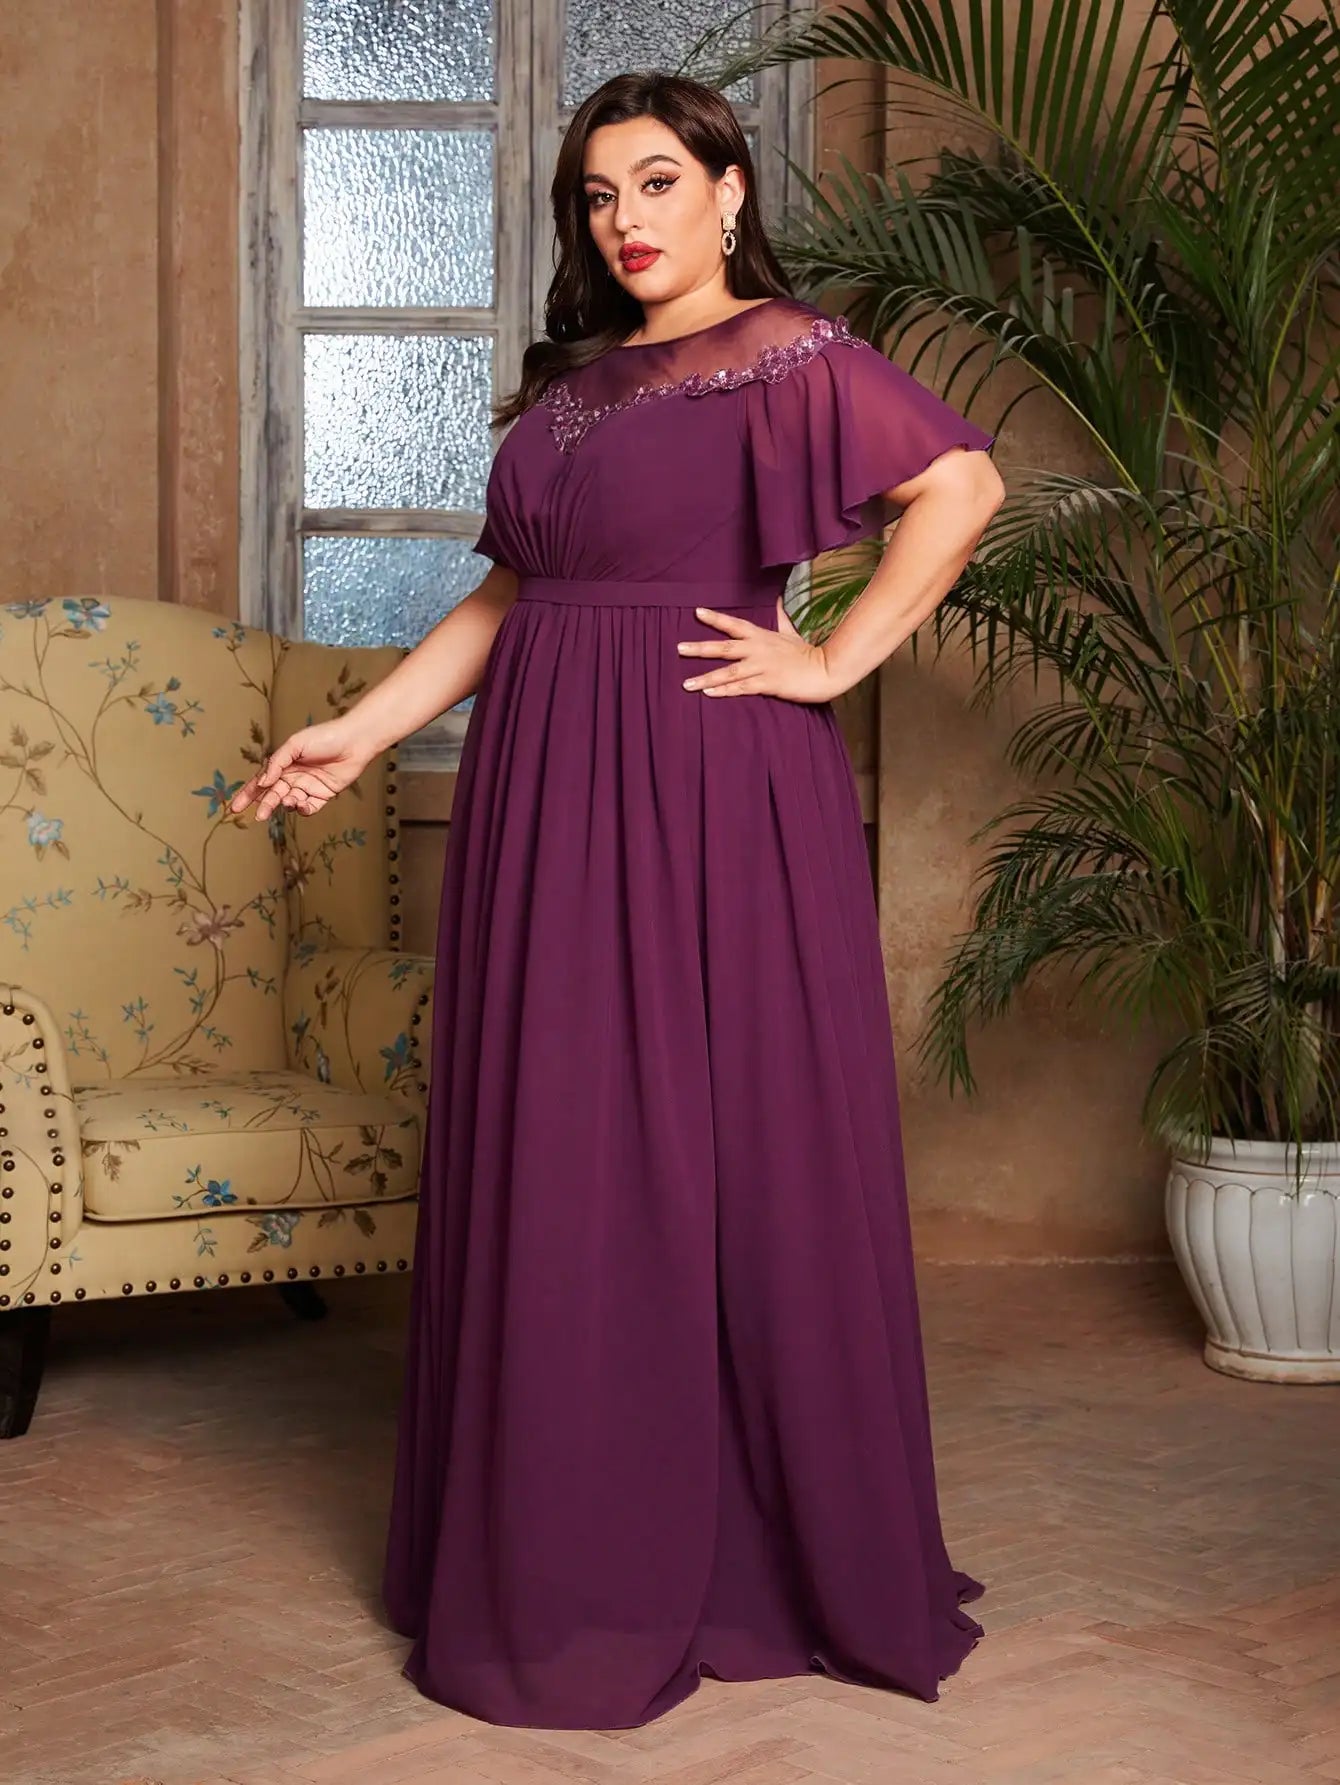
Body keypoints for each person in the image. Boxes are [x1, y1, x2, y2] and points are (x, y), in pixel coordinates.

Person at [229, 71, 1004, 1732]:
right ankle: (566, 1538)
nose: (627, 219)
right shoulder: (577, 389)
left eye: (659, 181)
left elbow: (963, 489)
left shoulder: (794, 353)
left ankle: (741, 1547)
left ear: (730, 190)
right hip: (546, 792)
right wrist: (359, 733)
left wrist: (833, 660)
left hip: (715, 790)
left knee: (723, 1147)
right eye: (599, 194)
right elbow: (512, 593)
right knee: (567, 1145)